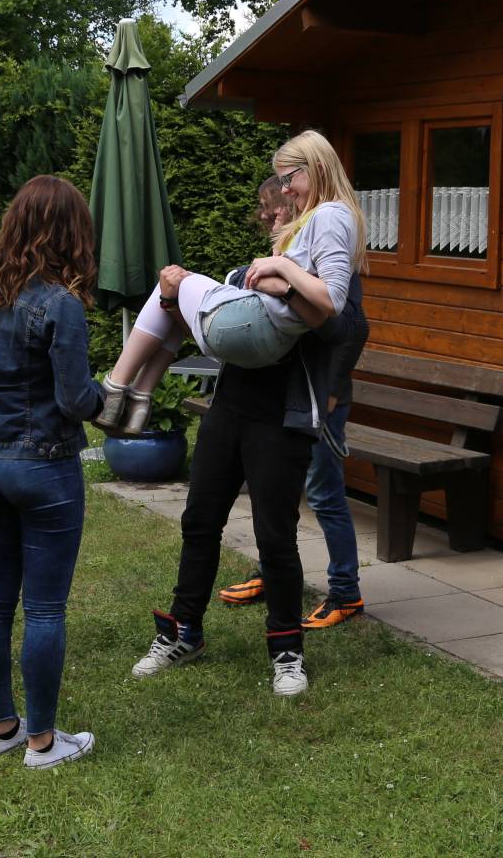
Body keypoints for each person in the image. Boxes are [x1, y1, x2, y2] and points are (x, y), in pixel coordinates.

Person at [129, 133, 366, 696]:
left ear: (313, 174)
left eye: (288, 185)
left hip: (283, 413)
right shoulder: (290, 242)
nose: (280, 199)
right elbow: (231, 318)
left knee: (275, 537)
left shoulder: (333, 247)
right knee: (199, 519)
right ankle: (183, 630)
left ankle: (287, 652)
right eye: (279, 192)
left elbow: (345, 326)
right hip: (231, 403)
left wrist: (285, 283)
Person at [0, 175, 105, 769]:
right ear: (70, 234)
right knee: (43, 609)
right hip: (44, 472)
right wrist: (106, 395)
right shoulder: (59, 302)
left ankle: (2, 727)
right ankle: (43, 742)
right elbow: (73, 400)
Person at [95, 129, 362, 435]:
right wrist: (281, 267)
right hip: (265, 344)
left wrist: (280, 270)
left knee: (172, 280)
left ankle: (114, 387)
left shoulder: (329, 215)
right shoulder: (323, 218)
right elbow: (316, 311)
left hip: (255, 329)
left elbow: (333, 301)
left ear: (319, 168)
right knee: (170, 293)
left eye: (288, 179)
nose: (285, 190)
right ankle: (140, 396)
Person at [218, 176, 371, 630]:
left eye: (275, 207)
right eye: (267, 207)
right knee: (277, 490)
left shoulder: (325, 251)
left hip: (321, 399)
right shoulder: (292, 253)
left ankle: (346, 593)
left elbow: (351, 327)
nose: (270, 214)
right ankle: (272, 572)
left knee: (324, 494)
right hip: (286, 396)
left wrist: (330, 392)